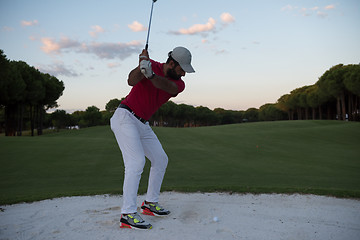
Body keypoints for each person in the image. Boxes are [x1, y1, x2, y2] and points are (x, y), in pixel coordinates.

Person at [110, 46, 195, 230]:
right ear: (171, 63)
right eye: (181, 69)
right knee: (136, 162)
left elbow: (167, 86)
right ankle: (128, 214)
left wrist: (151, 76)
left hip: (142, 123)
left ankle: (149, 204)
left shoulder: (178, 84)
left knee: (160, 159)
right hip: (125, 117)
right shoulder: (150, 65)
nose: (183, 74)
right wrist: (141, 66)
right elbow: (131, 81)